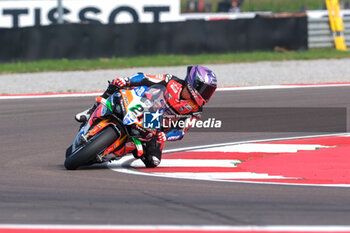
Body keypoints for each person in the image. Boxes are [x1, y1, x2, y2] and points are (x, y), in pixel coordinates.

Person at [75, 65, 217, 167]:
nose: (206, 95)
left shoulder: (195, 110)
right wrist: (127, 80)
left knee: (153, 161)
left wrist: (165, 136)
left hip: (157, 128)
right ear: (194, 82)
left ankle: (114, 151)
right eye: (205, 90)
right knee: (116, 83)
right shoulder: (170, 80)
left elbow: (181, 130)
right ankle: (90, 111)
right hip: (144, 103)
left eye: (209, 91)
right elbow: (146, 78)